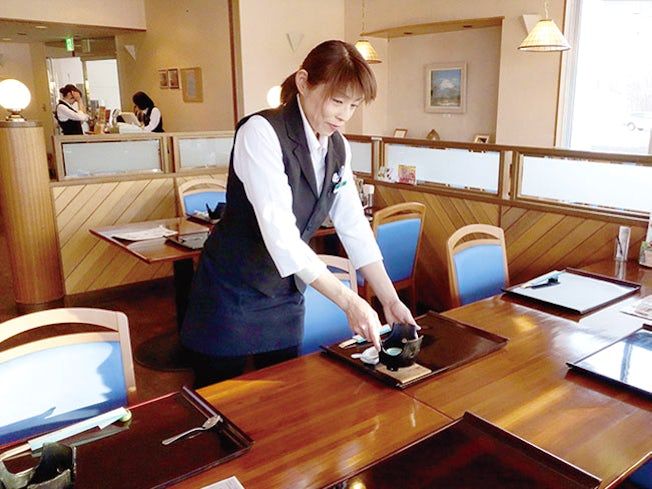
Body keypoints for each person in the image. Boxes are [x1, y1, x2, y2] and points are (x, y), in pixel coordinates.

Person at [181, 40, 415, 387]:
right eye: (337, 101)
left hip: (287, 294)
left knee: (284, 394)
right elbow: (283, 237)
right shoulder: (261, 132)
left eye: (353, 105)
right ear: (304, 82)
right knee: (219, 399)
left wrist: (389, 298)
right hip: (232, 294)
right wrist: (349, 301)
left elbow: (353, 224)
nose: (344, 115)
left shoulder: (337, 146)